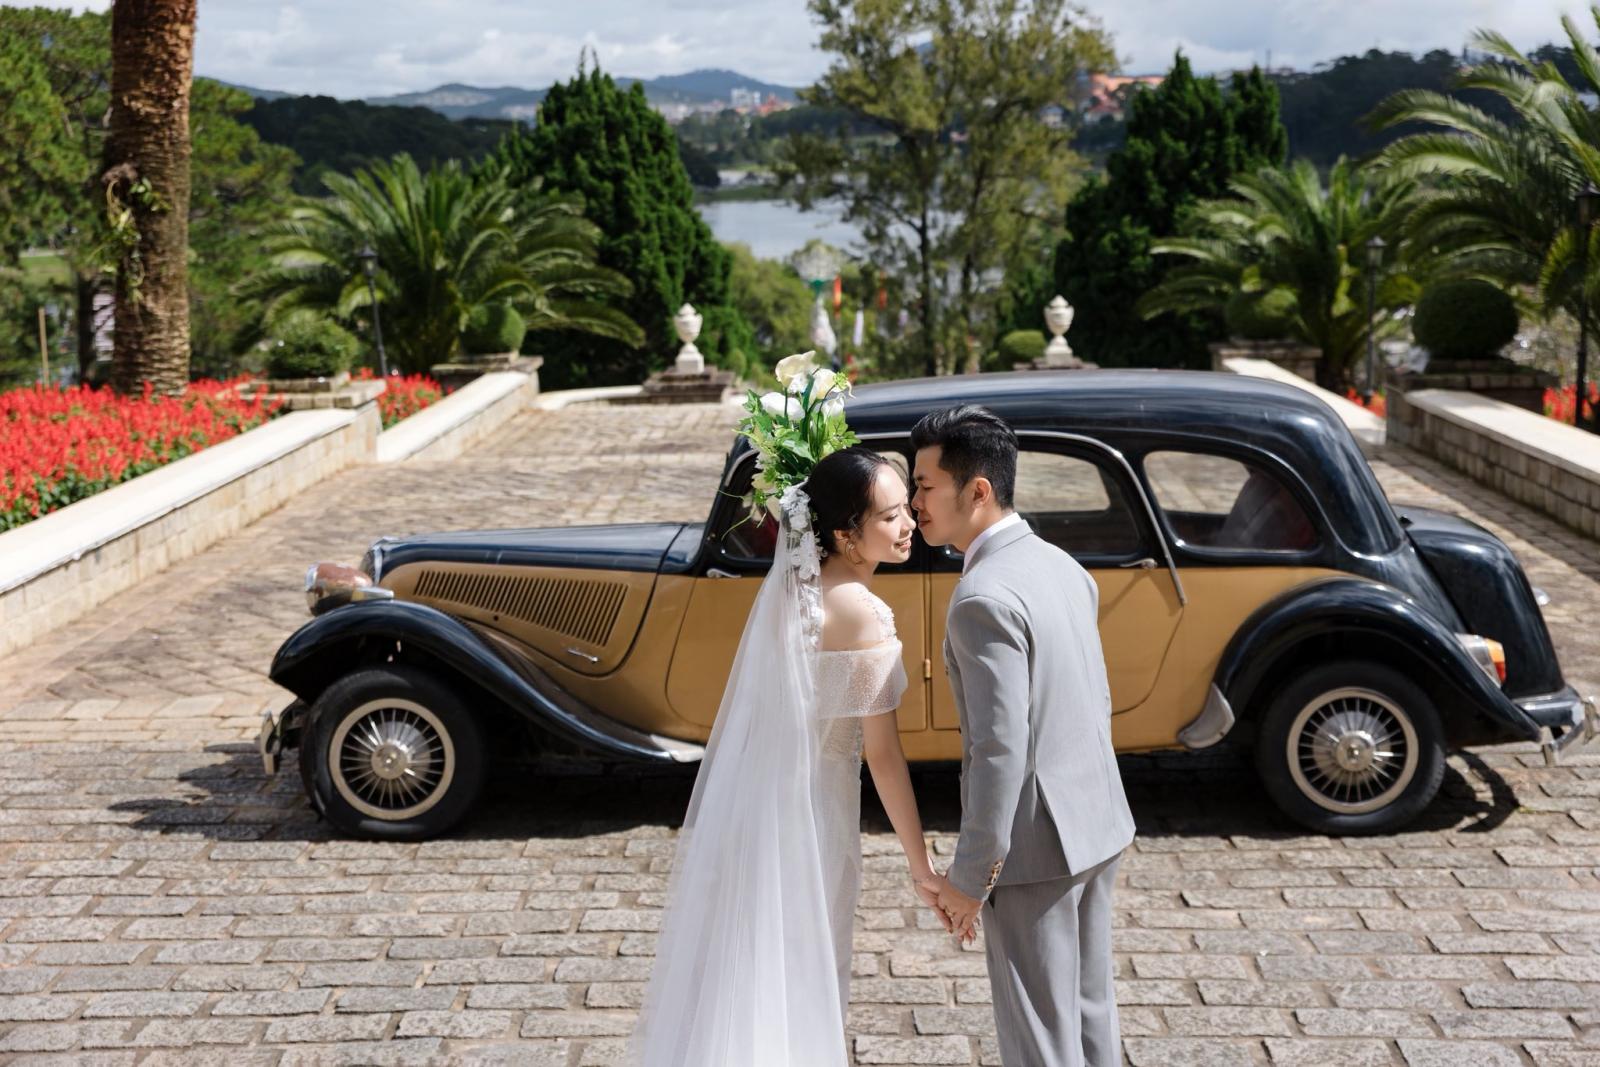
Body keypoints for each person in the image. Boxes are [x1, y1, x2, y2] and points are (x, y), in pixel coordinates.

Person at [627, 445, 939, 1066]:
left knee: (753, 965)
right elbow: (883, 755)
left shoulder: (797, 592)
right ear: (846, 535)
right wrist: (921, 864)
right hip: (814, 817)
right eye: (890, 517)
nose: (909, 524)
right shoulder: (862, 612)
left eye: (907, 509)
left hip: (762, 805)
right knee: (804, 969)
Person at [911, 404, 1136, 1067]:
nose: (915, 502)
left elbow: (999, 752)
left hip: (1036, 849)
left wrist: (970, 877)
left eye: (924, 486)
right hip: (1096, 824)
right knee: (1090, 1018)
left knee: (1039, 1039)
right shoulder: (1062, 564)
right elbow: (1093, 700)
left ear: (976, 490)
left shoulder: (982, 596)